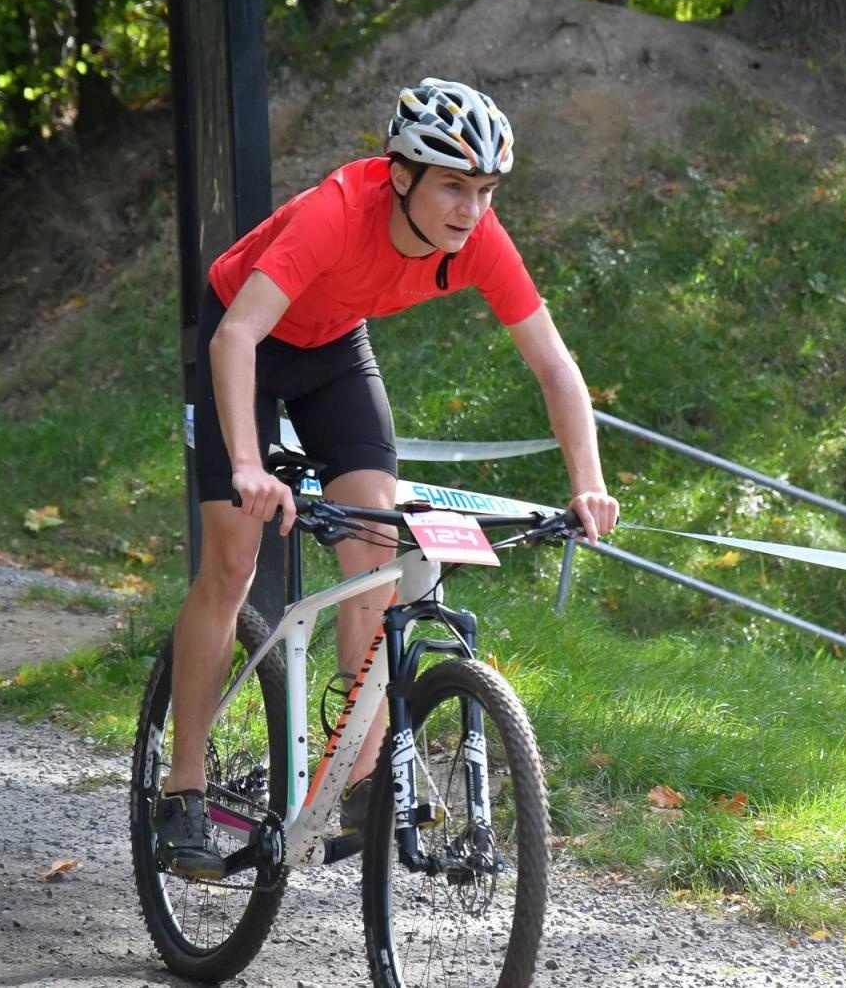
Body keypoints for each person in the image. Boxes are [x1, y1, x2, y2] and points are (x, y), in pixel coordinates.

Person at [154, 77, 620, 879]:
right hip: (247, 335)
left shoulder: (478, 238)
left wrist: (588, 482)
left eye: (485, 190)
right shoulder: (338, 210)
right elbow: (234, 339)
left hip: (334, 347)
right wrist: (248, 467)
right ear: (401, 175)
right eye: (453, 187)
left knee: (373, 550)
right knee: (232, 563)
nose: (471, 210)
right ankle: (183, 789)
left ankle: (361, 778)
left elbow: (554, 363)